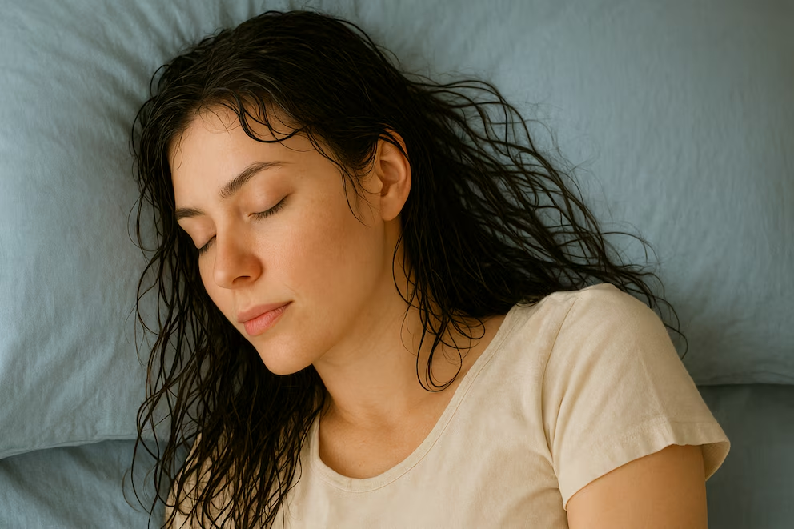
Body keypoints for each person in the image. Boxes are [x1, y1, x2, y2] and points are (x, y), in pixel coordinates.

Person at [129, 9, 730, 529]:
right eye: (201, 238)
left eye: (265, 205)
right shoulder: (222, 489)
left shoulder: (579, 358)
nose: (227, 269)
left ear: (384, 177)